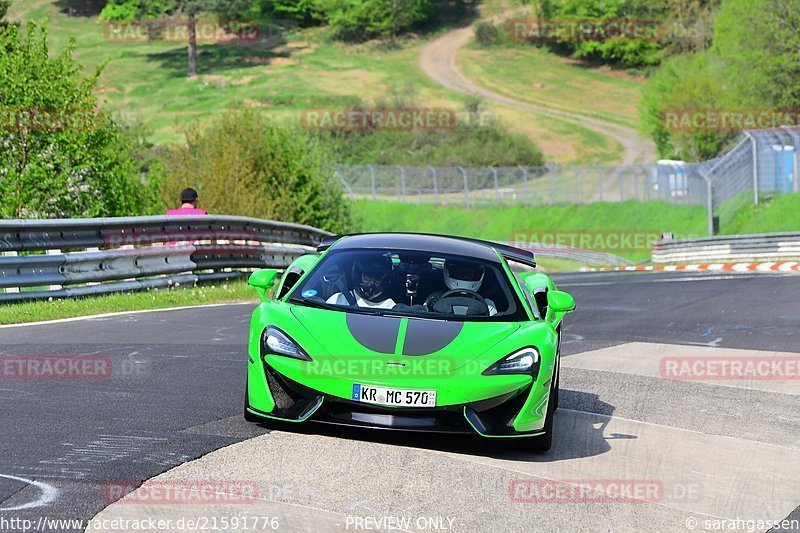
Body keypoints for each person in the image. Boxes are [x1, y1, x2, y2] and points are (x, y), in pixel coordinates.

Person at [426, 259, 497, 316]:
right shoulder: (434, 297)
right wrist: (431, 307)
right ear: (449, 272)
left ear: (477, 275)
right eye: (460, 273)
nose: (465, 276)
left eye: (469, 273)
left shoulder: (487, 304)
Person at [327, 255, 397, 310]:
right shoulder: (338, 300)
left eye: (378, 278)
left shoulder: (391, 307)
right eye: (368, 276)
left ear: (384, 281)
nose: (372, 282)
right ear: (359, 275)